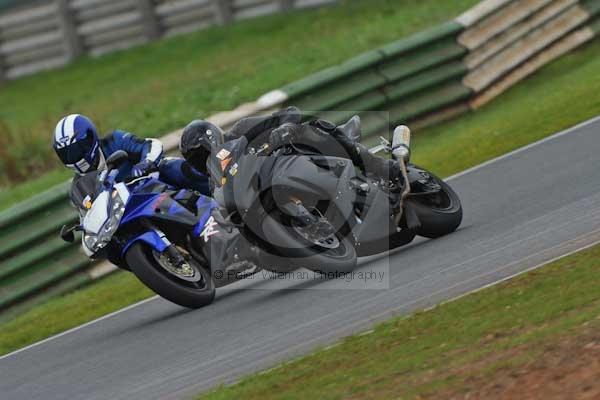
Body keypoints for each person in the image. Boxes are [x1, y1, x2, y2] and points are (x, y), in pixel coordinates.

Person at [179, 107, 402, 189]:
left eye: (203, 151)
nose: (204, 158)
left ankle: (380, 165)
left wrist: (284, 128)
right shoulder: (217, 182)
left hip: (298, 157)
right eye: (197, 158)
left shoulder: (241, 130)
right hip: (279, 186)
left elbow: (289, 112)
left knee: (310, 128)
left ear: (212, 137)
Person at [52, 114, 210, 213]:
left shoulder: (114, 140)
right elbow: (87, 217)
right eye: (67, 153)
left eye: (78, 148)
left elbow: (150, 144)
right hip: (127, 215)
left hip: (154, 186)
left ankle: (218, 192)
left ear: (91, 138)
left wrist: (146, 163)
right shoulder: (78, 188)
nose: (74, 156)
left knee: (171, 167)